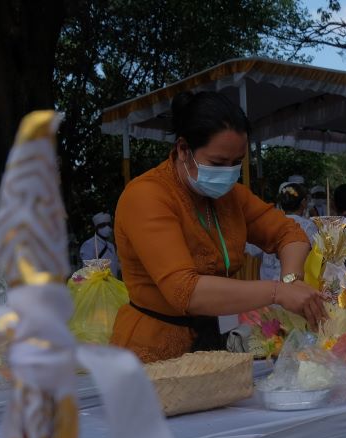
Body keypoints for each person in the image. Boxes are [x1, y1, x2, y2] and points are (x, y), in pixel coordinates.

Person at [111, 90, 325, 363]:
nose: (228, 173)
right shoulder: (146, 196)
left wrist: (292, 281)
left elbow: (289, 233)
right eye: (218, 163)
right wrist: (278, 292)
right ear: (183, 149)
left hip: (213, 346)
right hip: (150, 354)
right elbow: (184, 291)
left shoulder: (231, 196)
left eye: (236, 163)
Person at [260, 183, 317, 281]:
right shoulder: (308, 226)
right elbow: (315, 256)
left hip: (269, 281)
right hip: (293, 282)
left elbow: (252, 250)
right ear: (303, 202)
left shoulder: (270, 223)